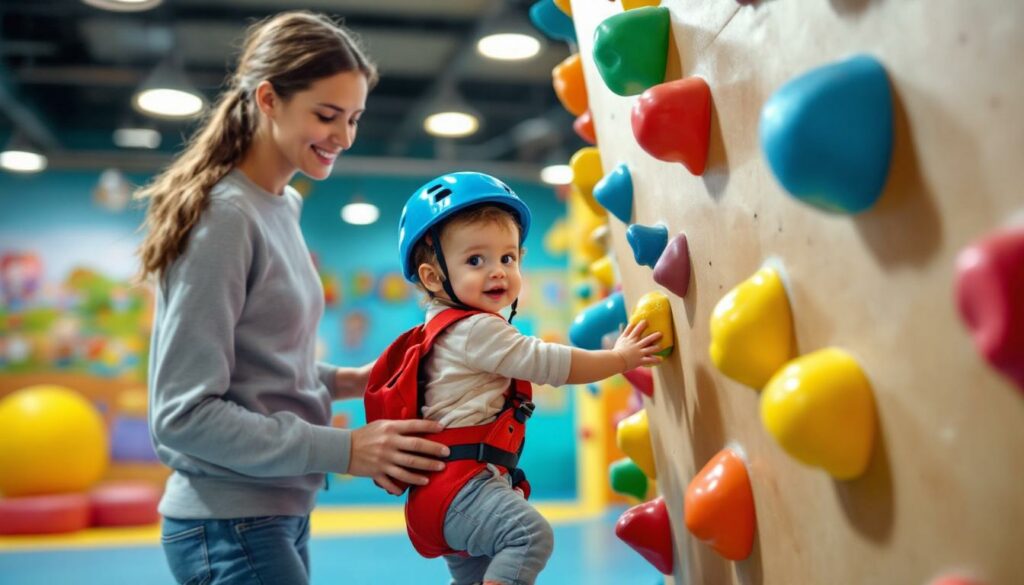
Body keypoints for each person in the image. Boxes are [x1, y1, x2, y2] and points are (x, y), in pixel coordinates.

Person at [135, 12, 450, 585]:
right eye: (327, 115)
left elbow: (258, 367)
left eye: (353, 118)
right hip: (228, 521)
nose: (344, 137)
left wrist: (350, 379)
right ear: (269, 99)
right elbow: (183, 415)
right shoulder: (225, 216)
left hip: (275, 508)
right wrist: (346, 448)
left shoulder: (281, 205)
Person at [367, 172, 663, 585]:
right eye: (476, 260)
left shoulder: (439, 330)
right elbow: (552, 364)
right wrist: (620, 358)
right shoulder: (475, 330)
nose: (498, 272)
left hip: (441, 494)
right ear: (434, 278)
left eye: (508, 258)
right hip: (463, 489)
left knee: (479, 575)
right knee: (529, 536)